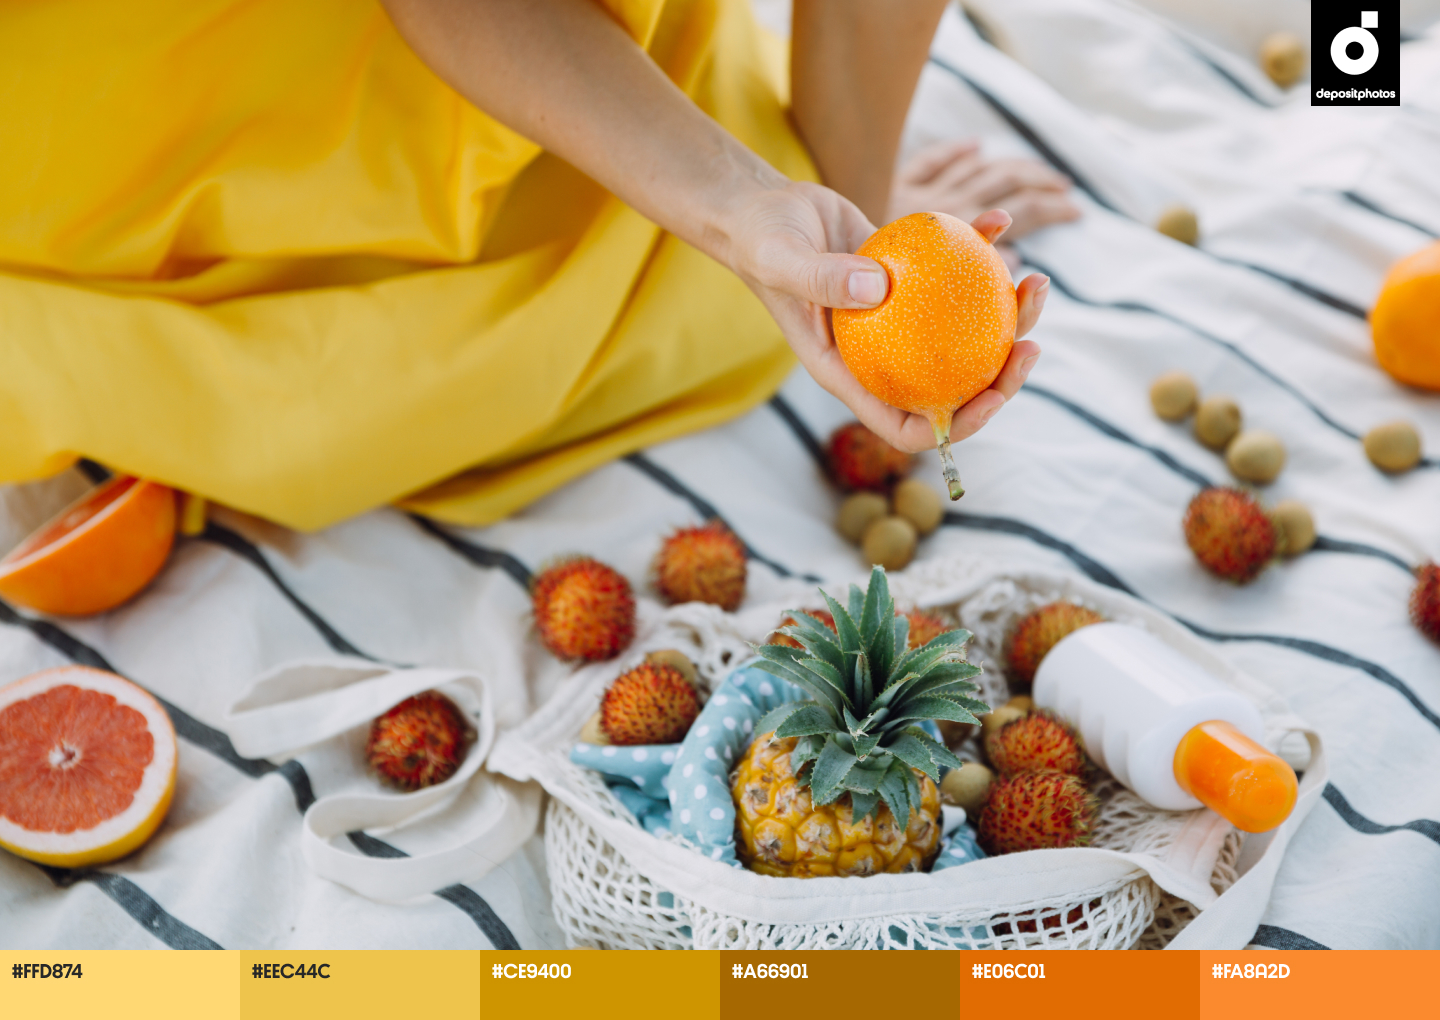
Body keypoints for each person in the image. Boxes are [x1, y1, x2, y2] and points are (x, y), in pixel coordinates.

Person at [0, 0, 1076, 530]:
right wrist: (734, 200)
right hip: (183, 95)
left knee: (713, 315)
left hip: (596, 60)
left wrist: (843, 223)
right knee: (305, 411)